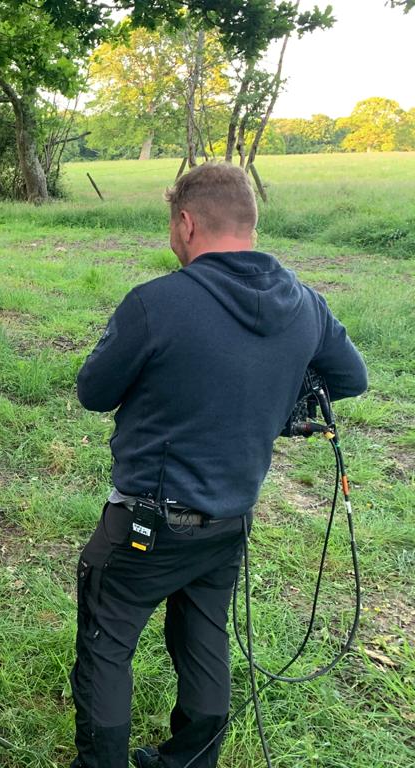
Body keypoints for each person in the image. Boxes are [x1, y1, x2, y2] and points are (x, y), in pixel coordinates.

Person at [70, 163, 367, 768]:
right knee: (206, 640)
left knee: (107, 644)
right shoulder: (305, 303)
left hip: (147, 524)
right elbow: (350, 378)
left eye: (171, 227)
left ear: (186, 223)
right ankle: (189, 761)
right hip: (229, 517)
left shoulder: (156, 302)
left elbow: (94, 391)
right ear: (249, 224)